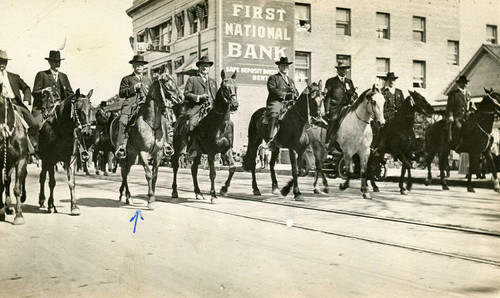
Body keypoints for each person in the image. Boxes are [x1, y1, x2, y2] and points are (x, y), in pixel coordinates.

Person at [0, 50, 38, 153]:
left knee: (34, 124)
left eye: (4, 61)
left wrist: (26, 100)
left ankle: (30, 149)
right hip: (1, 106)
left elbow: (26, 88)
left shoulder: (14, 77)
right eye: (0, 61)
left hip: (16, 104)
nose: (2, 64)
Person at [115, 54, 153, 158]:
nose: (139, 67)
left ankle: (165, 144)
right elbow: (121, 93)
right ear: (133, 66)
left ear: (143, 66)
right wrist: (133, 88)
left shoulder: (148, 80)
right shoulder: (126, 79)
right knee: (122, 121)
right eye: (137, 65)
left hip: (146, 105)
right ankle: (121, 146)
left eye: (141, 65)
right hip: (131, 105)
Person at [183, 55, 217, 157]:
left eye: (206, 66)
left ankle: (222, 146)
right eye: (202, 66)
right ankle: (191, 147)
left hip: (211, 109)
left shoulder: (213, 82)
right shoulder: (193, 79)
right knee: (192, 125)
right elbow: (186, 94)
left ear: (209, 67)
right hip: (197, 108)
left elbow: (216, 97)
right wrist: (199, 97)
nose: (204, 68)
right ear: (199, 67)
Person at [265, 56, 299, 150]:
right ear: (279, 67)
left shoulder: (290, 80)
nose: (285, 67)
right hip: (276, 102)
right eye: (282, 65)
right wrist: (284, 95)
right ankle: (271, 139)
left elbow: (295, 90)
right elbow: (272, 89)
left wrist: (296, 93)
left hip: (289, 103)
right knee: (274, 115)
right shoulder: (273, 78)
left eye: (286, 66)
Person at [324, 61, 358, 150]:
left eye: (345, 70)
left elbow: (353, 94)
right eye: (342, 69)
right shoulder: (331, 81)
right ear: (337, 70)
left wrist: (354, 95)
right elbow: (327, 97)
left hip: (347, 107)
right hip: (335, 107)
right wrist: (327, 110)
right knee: (334, 120)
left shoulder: (349, 81)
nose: (344, 71)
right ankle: (328, 141)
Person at [32, 50, 74, 121]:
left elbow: (70, 93)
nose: (57, 64)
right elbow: (34, 93)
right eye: (55, 61)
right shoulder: (42, 75)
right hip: (44, 110)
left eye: (59, 62)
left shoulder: (64, 77)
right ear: (49, 62)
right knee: (35, 126)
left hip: (61, 110)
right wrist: (43, 91)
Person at [375, 72, 405, 155]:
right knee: (383, 130)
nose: (392, 82)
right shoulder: (384, 92)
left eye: (393, 80)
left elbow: (403, 106)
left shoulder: (399, 92)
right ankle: (380, 147)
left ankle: (409, 147)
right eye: (390, 80)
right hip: (387, 117)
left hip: (398, 117)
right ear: (387, 81)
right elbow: (381, 107)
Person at [446, 75, 474, 151]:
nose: (465, 84)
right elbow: (449, 107)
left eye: (466, 83)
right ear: (459, 84)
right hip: (457, 117)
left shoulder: (468, 94)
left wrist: (471, 110)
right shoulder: (453, 94)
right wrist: (451, 116)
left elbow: (470, 105)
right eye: (463, 83)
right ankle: (456, 144)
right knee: (459, 127)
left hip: (466, 117)